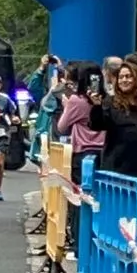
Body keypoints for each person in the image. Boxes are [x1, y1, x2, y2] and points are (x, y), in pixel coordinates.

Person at [56, 61, 106, 251]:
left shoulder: (77, 101)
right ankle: (97, 243)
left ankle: (80, 245)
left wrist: (67, 106)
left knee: (80, 199)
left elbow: (61, 127)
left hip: (83, 153)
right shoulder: (105, 99)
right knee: (100, 199)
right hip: (103, 153)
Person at [89, 56, 137, 183]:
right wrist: (96, 106)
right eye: (121, 77)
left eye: (128, 76)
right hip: (118, 173)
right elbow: (96, 125)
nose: (124, 80)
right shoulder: (110, 103)